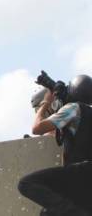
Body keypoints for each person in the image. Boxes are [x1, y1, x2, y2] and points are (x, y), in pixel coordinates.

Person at [18, 75, 92, 215]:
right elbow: (65, 134)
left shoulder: (73, 108)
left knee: (26, 183)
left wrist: (46, 102)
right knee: (47, 213)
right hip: (86, 185)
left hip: (80, 173)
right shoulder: (87, 115)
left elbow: (37, 128)